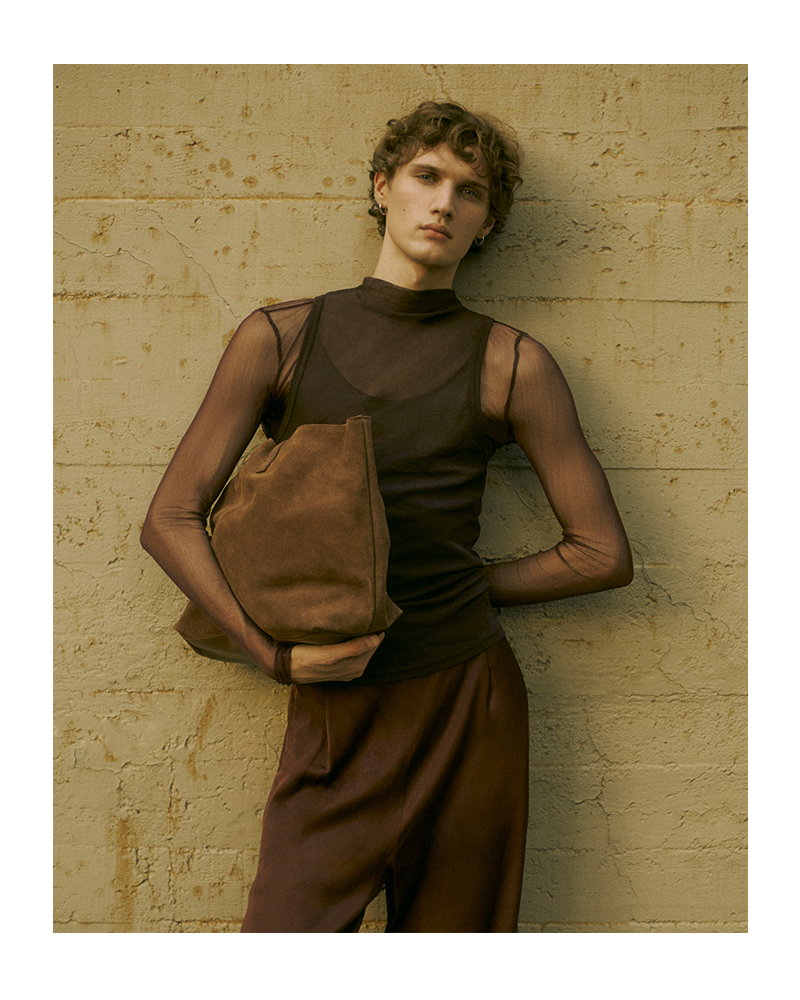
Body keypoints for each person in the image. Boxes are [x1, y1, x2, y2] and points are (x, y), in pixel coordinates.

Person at [140, 101, 634, 933]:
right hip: (335, 709)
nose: (444, 203)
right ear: (383, 186)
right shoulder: (281, 336)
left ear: (486, 224)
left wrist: (461, 587)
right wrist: (274, 656)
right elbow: (170, 518)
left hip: (468, 708)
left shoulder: (513, 362)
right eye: (427, 176)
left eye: (471, 192)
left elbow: (600, 554)